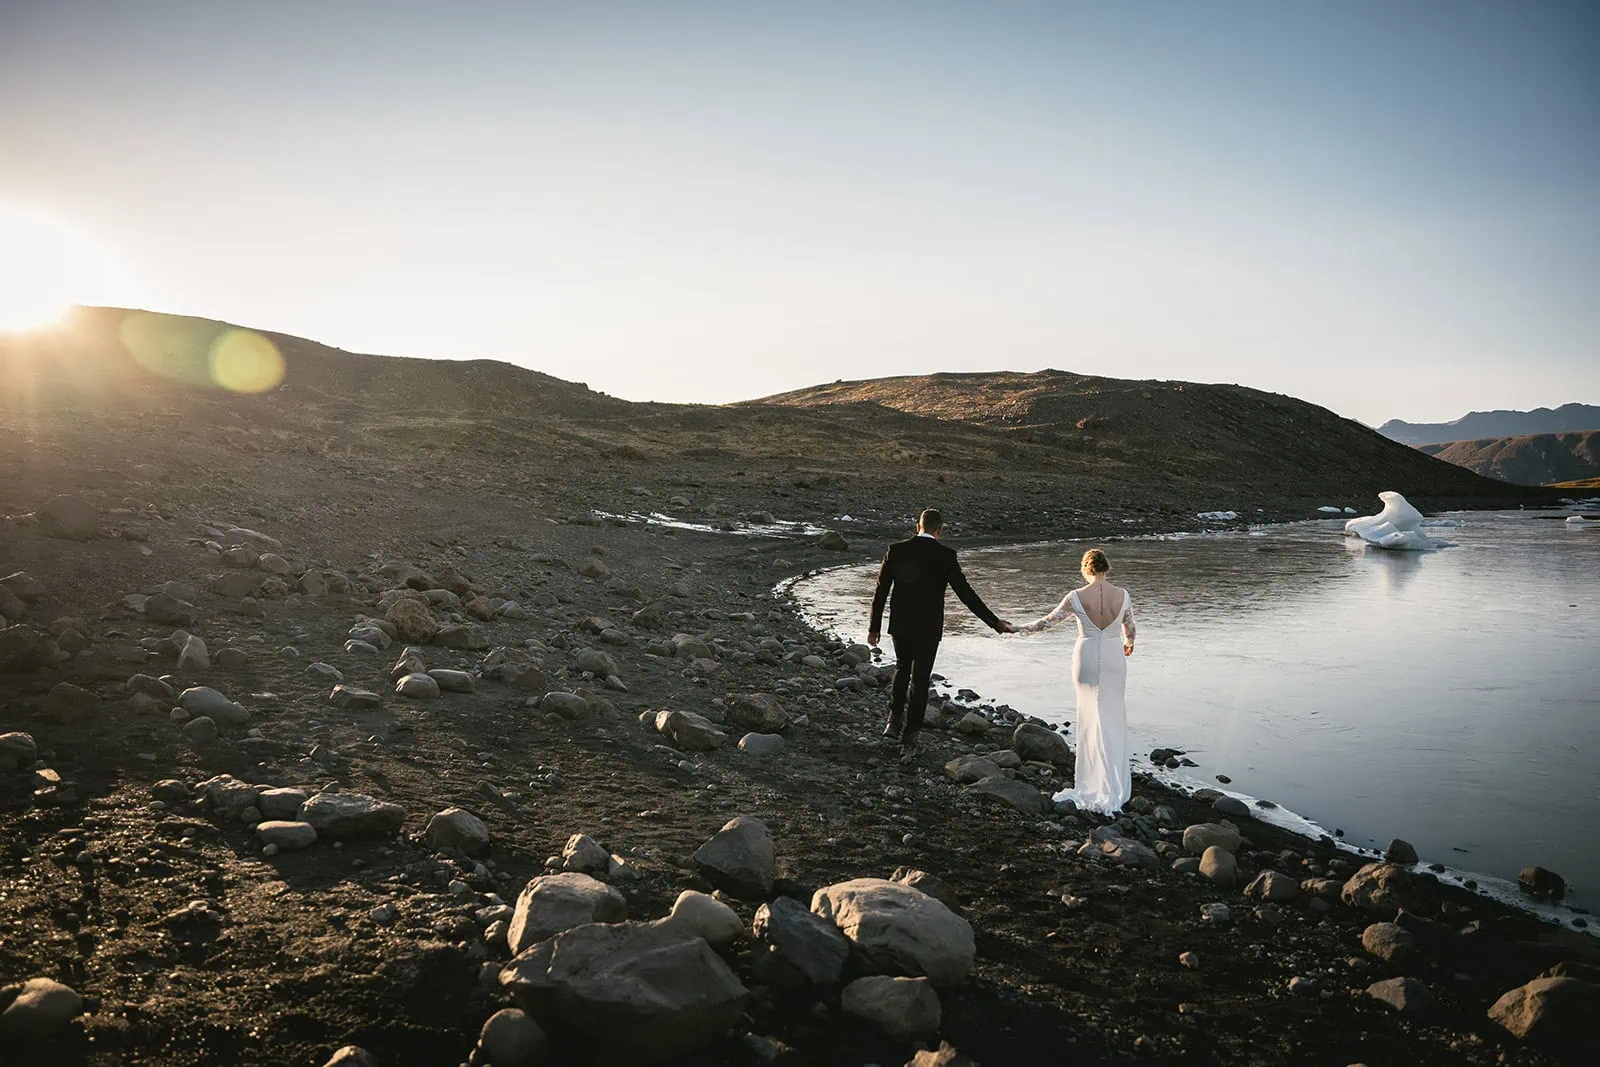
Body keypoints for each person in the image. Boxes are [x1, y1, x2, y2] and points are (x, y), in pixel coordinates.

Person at [868, 508, 1009, 756]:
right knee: (921, 679)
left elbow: (881, 591)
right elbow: (967, 595)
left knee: (902, 668)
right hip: (928, 627)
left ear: (917, 527)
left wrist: (874, 627)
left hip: (900, 623)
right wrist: (994, 623)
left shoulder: (896, 550)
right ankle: (910, 736)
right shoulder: (946, 557)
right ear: (940, 531)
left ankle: (893, 720)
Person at [1010, 547, 1137, 814]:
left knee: (1091, 716)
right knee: (1113, 714)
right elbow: (1130, 628)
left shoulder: (1076, 596)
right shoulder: (1123, 595)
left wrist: (1016, 629)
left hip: (1087, 656)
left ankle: (1093, 778)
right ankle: (1113, 780)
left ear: (1085, 569)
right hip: (1114, 658)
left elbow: (1047, 622)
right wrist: (1128, 643)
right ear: (1106, 568)